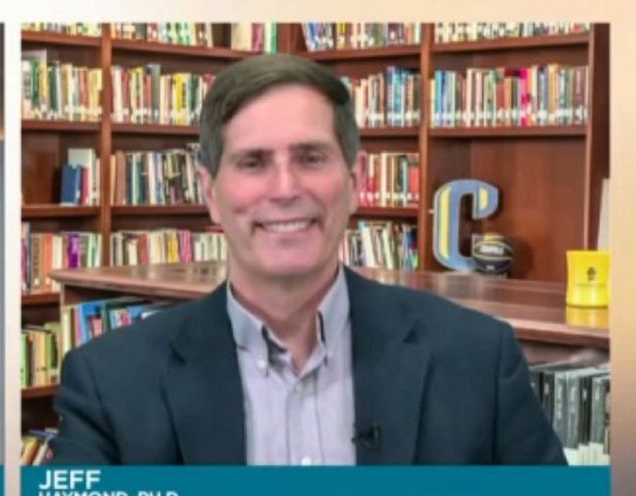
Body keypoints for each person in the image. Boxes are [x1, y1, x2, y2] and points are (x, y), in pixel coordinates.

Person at [50, 54, 565, 466]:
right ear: (210, 193)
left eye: (311, 158)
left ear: (355, 181)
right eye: (253, 162)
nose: (285, 189)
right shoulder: (109, 382)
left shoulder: (478, 360)